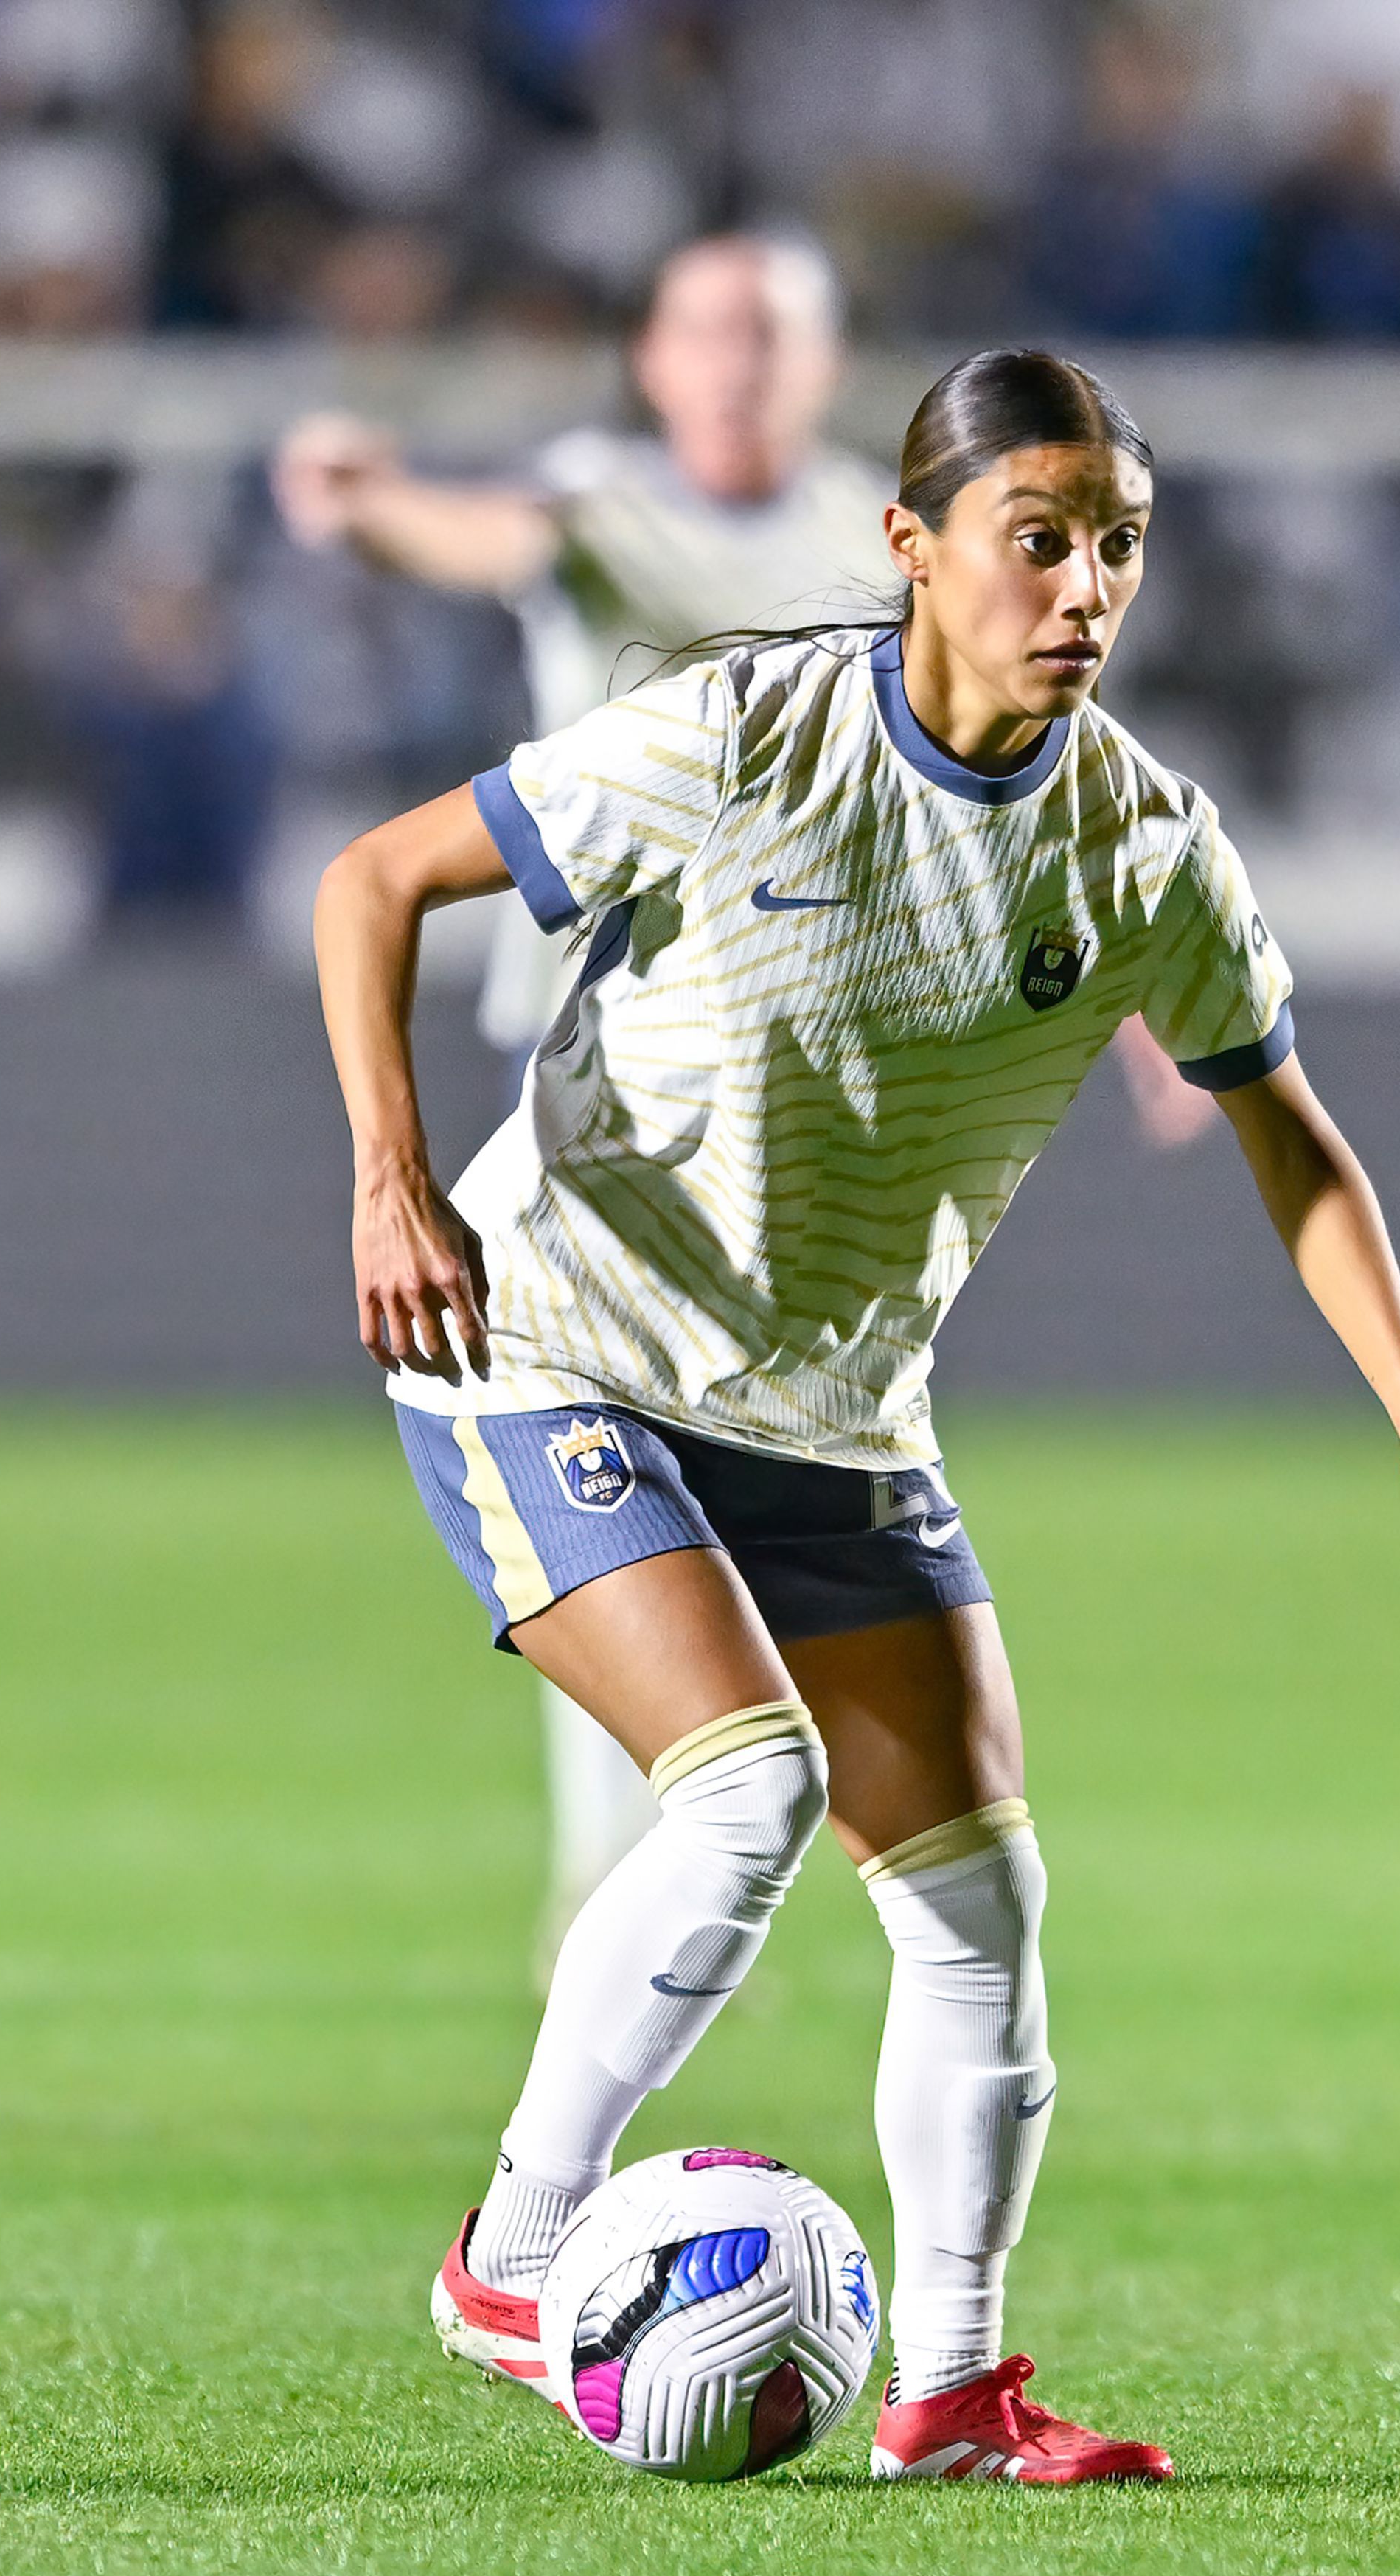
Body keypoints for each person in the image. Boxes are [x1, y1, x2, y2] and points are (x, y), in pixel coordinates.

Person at [312, 348, 1400, 2485]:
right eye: (1038, 540)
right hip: (555, 1340)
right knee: (741, 1795)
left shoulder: (1145, 852)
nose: (1083, 588)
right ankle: (510, 2248)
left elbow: (1291, 1136)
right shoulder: (732, 735)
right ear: (911, 546)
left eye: (1118, 550)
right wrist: (386, 1177)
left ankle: (955, 2391)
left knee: (977, 1901)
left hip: (834, 1410)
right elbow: (374, 882)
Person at [276, 232, 891, 1965]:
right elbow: (490, 538)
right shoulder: (603, 499)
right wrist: (376, 500)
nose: (737, 360)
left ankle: (690, 1825)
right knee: (589, 1449)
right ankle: (621, 1853)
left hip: (801, 1077)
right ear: (653, 352)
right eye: (706, 327)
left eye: (768, 332)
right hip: (591, 1068)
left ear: (819, 364)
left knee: (751, 1462)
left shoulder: (874, 537)